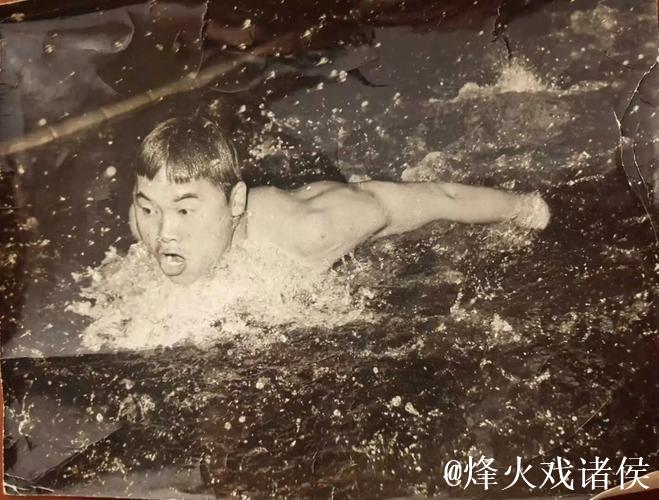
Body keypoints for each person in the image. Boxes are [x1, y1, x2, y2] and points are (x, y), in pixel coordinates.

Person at [129, 116, 550, 285]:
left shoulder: (314, 229)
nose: (164, 232)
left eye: (184, 210)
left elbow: (440, 197)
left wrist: (526, 209)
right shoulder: (145, 220)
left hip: (311, 187)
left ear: (235, 203)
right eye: (148, 208)